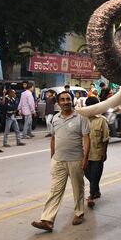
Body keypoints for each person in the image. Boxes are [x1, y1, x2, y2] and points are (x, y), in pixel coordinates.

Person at [31, 91, 90, 232]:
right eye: (62, 100)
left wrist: (85, 158)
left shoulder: (81, 117)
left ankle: (79, 213)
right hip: (58, 161)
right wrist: (52, 157)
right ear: (58, 103)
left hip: (75, 160)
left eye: (68, 99)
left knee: (78, 189)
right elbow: (53, 138)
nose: (65, 102)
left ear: (72, 101)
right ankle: (47, 220)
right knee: (54, 191)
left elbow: (86, 138)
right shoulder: (55, 118)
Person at [84, 96, 109, 208]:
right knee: (88, 175)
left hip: (97, 154)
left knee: (94, 176)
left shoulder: (101, 120)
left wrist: (104, 152)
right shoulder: (82, 119)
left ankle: (90, 196)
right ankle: (96, 190)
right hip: (85, 155)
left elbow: (105, 139)